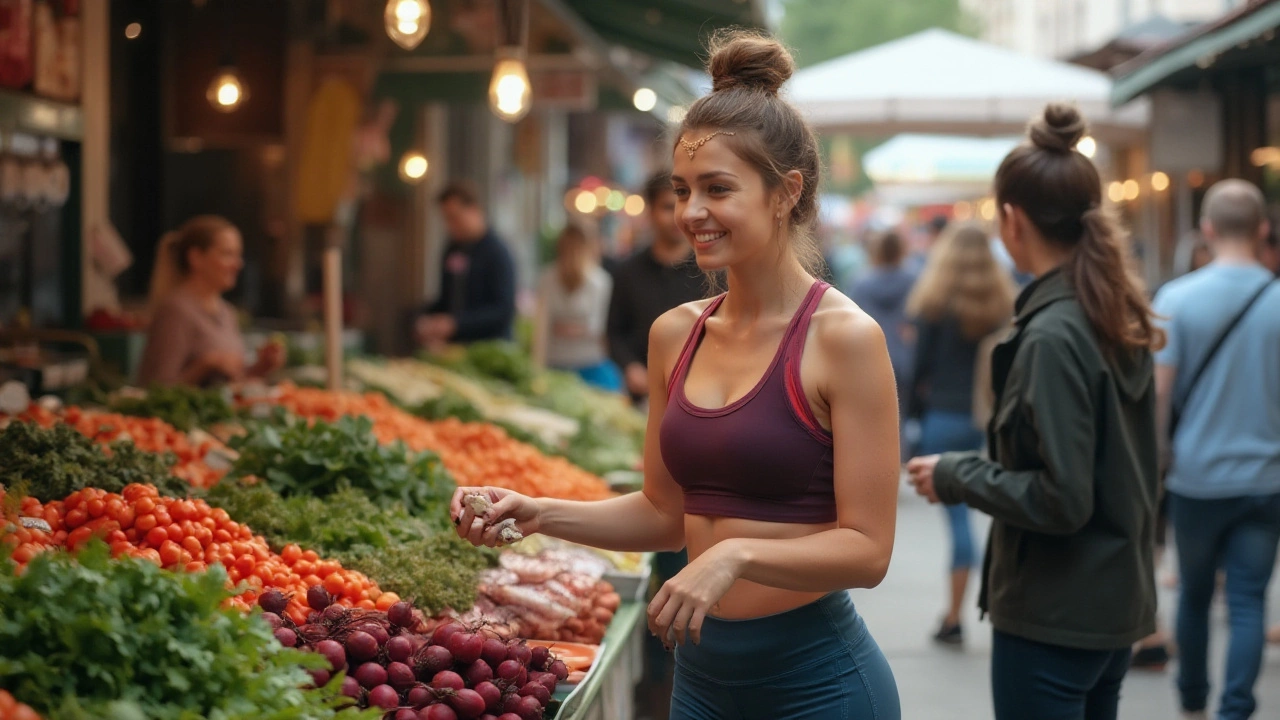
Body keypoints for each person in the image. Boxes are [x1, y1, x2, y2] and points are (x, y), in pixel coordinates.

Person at [452, 30, 901, 720]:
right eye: (682, 189)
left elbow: (868, 551)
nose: (690, 213)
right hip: (699, 687)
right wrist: (539, 512)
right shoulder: (675, 335)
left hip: (818, 686)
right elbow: (666, 513)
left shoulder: (845, 339)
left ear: (786, 193)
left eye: (717, 190)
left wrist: (733, 557)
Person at [906, 103, 1163, 720]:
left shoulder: (1055, 334)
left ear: (1013, 218)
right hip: (1109, 605)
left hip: (1057, 612)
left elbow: (1062, 497)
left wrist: (955, 475)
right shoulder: (1107, 311)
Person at [1152, 179, 1280, 720]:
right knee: (1249, 601)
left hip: (1196, 477)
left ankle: (1192, 704)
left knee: (1196, 596)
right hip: (1266, 478)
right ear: (1263, 230)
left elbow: (1158, 395)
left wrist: (1159, 460)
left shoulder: (1175, 300)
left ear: (1206, 230)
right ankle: (1236, 708)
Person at [904, 222, 1016, 646]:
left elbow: (919, 371)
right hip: (984, 417)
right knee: (989, 508)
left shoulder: (934, 302)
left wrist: (913, 420)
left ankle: (953, 615)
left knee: (958, 521)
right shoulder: (1001, 300)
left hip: (943, 418)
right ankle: (985, 606)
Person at [137, 215, 284, 387]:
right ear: (196, 258)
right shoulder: (175, 311)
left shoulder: (227, 312)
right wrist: (206, 365)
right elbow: (156, 386)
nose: (238, 264)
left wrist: (260, 368)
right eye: (227, 254)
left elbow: (230, 383)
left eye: (238, 255)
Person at [606, 171, 706, 407]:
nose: (676, 216)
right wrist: (630, 367)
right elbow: (614, 332)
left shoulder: (711, 273)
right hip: (640, 398)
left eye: (682, 205)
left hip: (699, 396)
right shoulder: (627, 272)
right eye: (667, 207)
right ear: (650, 211)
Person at [415, 180, 516, 350]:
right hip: (454, 348)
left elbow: (503, 311)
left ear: (474, 210)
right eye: (446, 219)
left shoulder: (497, 252)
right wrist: (427, 319)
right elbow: (446, 298)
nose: (450, 226)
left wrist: (456, 324)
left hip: (490, 350)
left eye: (455, 218)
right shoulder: (452, 249)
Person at [531, 222, 621, 391]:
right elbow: (597, 328)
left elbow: (542, 331)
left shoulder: (598, 281)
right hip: (562, 363)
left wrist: (564, 329)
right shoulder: (550, 278)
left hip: (586, 363)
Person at [850, 229, 917, 419]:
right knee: (900, 416)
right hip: (904, 355)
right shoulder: (914, 281)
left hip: (868, 356)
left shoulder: (860, 284)